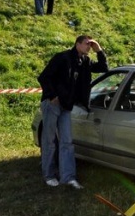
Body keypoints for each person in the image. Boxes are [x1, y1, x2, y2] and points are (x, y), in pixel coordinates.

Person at [38, 35, 109, 188]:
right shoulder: (62, 58)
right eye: (86, 44)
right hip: (52, 104)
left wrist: (99, 50)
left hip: (67, 106)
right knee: (49, 141)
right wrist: (52, 96)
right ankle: (49, 175)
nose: (88, 47)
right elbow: (44, 77)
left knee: (67, 142)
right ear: (77, 44)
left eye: (90, 45)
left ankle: (68, 177)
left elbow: (104, 68)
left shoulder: (85, 62)